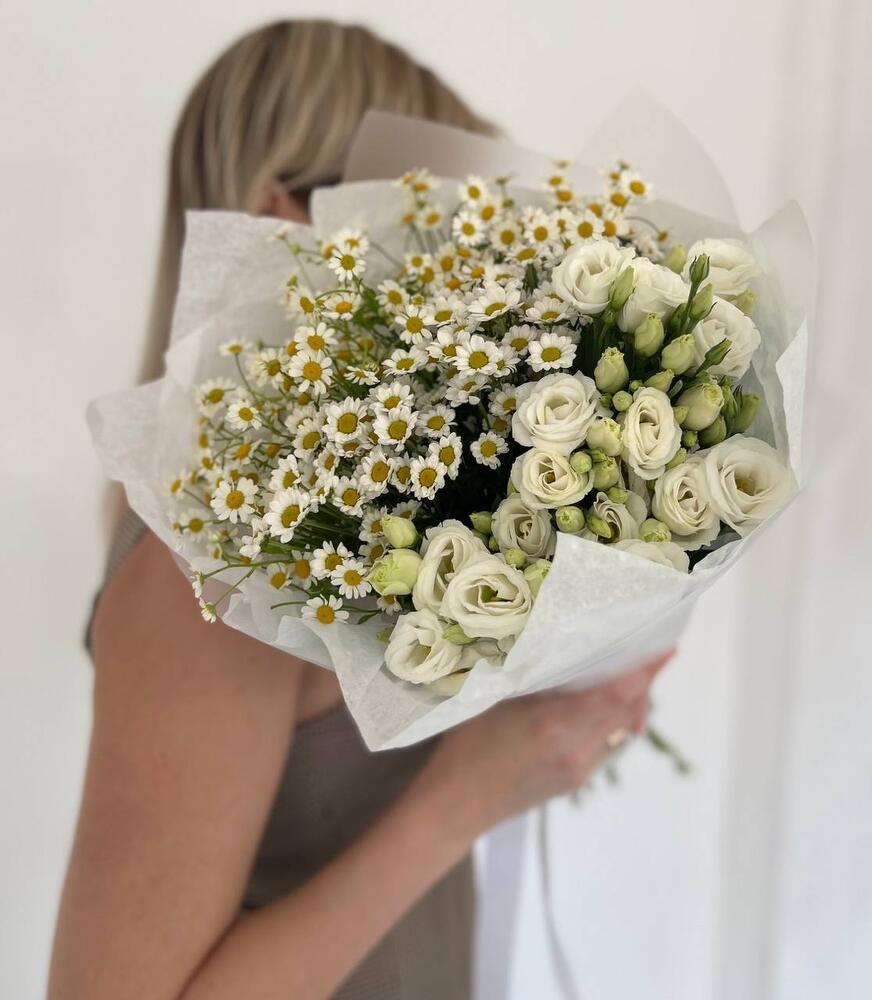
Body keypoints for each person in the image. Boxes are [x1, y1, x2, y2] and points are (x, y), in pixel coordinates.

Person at [49, 19, 670, 1000]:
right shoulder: (209, 570)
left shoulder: (336, 520)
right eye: (423, 223)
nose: (461, 270)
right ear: (282, 220)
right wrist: (463, 799)